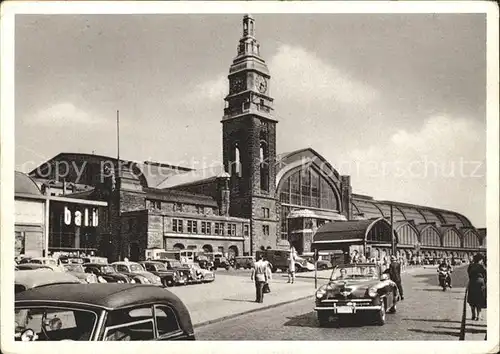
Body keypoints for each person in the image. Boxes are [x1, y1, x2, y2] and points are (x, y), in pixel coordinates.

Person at [467, 253, 487, 321]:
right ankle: (479, 316)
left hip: (472, 282)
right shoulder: (482, 266)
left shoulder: (471, 265)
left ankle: (473, 315)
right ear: (480, 260)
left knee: (472, 299)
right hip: (480, 283)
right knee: (479, 299)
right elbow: (485, 275)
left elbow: (469, 274)